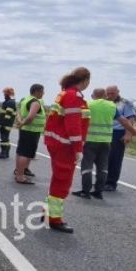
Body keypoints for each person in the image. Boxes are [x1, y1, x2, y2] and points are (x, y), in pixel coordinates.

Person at [40, 68, 91, 233]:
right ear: (85, 81)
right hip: (65, 145)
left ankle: (47, 213)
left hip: (58, 142)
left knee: (58, 179)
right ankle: (54, 219)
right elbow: (73, 125)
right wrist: (78, 148)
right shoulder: (73, 96)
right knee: (62, 181)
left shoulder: (66, 93)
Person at [73, 88, 116, 199]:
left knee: (87, 166)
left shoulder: (88, 104)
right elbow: (121, 119)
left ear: (93, 95)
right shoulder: (112, 106)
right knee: (103, 168)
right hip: (106, 141)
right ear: (105, 95)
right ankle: (98, 191)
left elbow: (80, 119)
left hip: (90, 140)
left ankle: (85, 191)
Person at [103, 85, 136, 191]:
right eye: (108, 93)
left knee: (115, 158)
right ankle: (102, 180)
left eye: (112, 93)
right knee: (103, 158)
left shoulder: (125, 103)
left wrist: (128, 134)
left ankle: (111, 183)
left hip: (118, 132)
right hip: (105, 132)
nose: (110, 95)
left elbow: (130, 119)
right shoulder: (104, 102)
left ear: (118, 92)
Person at [14, 84, 45, 184]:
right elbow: (31, 117)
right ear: (37, 91)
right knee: (26, 154)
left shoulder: (25, 99)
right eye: (42, 91)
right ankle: (20, 176)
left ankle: (19, 171)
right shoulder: (35, 102)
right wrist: (22, 124)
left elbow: (18, 111)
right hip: (31, 131)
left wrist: (20, 122)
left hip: (25, 130)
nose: (43, 93)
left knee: (20, 152)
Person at [0, 87, 16, 159]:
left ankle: (3, 153)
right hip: (7, 124)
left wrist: (1, 125)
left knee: (4, 139)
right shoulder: (10, 101)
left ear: (8, 94)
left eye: (5, 93)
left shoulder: (10, 102)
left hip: (6, 124)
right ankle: (6, 153)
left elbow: (8, 115)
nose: (4, 94)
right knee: (5, 139)